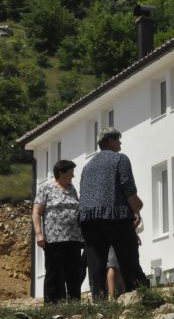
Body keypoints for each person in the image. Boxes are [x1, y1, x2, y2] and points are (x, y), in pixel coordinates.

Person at [79, 127, 148, 299]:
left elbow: (83, 193)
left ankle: (99, 299)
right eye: (118, 139)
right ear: (110, 141)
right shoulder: (120, 159)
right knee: (128, 257)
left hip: (88, 219)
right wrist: (136, 209)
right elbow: (128, 187)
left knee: (95, 263)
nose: (120, 143)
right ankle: (137, 294)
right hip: (115, 215)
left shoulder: (87, 166)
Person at [32, 159, 84, 303]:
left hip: (74, 238)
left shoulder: (72, 189)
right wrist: (39, 234)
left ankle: (74, 302)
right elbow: (36, 213)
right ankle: (52, 304)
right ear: (61, 172)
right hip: (54, 238)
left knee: (74, 272)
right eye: (71, 172)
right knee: (54, 272)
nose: (73, 176)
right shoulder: (46, 188)